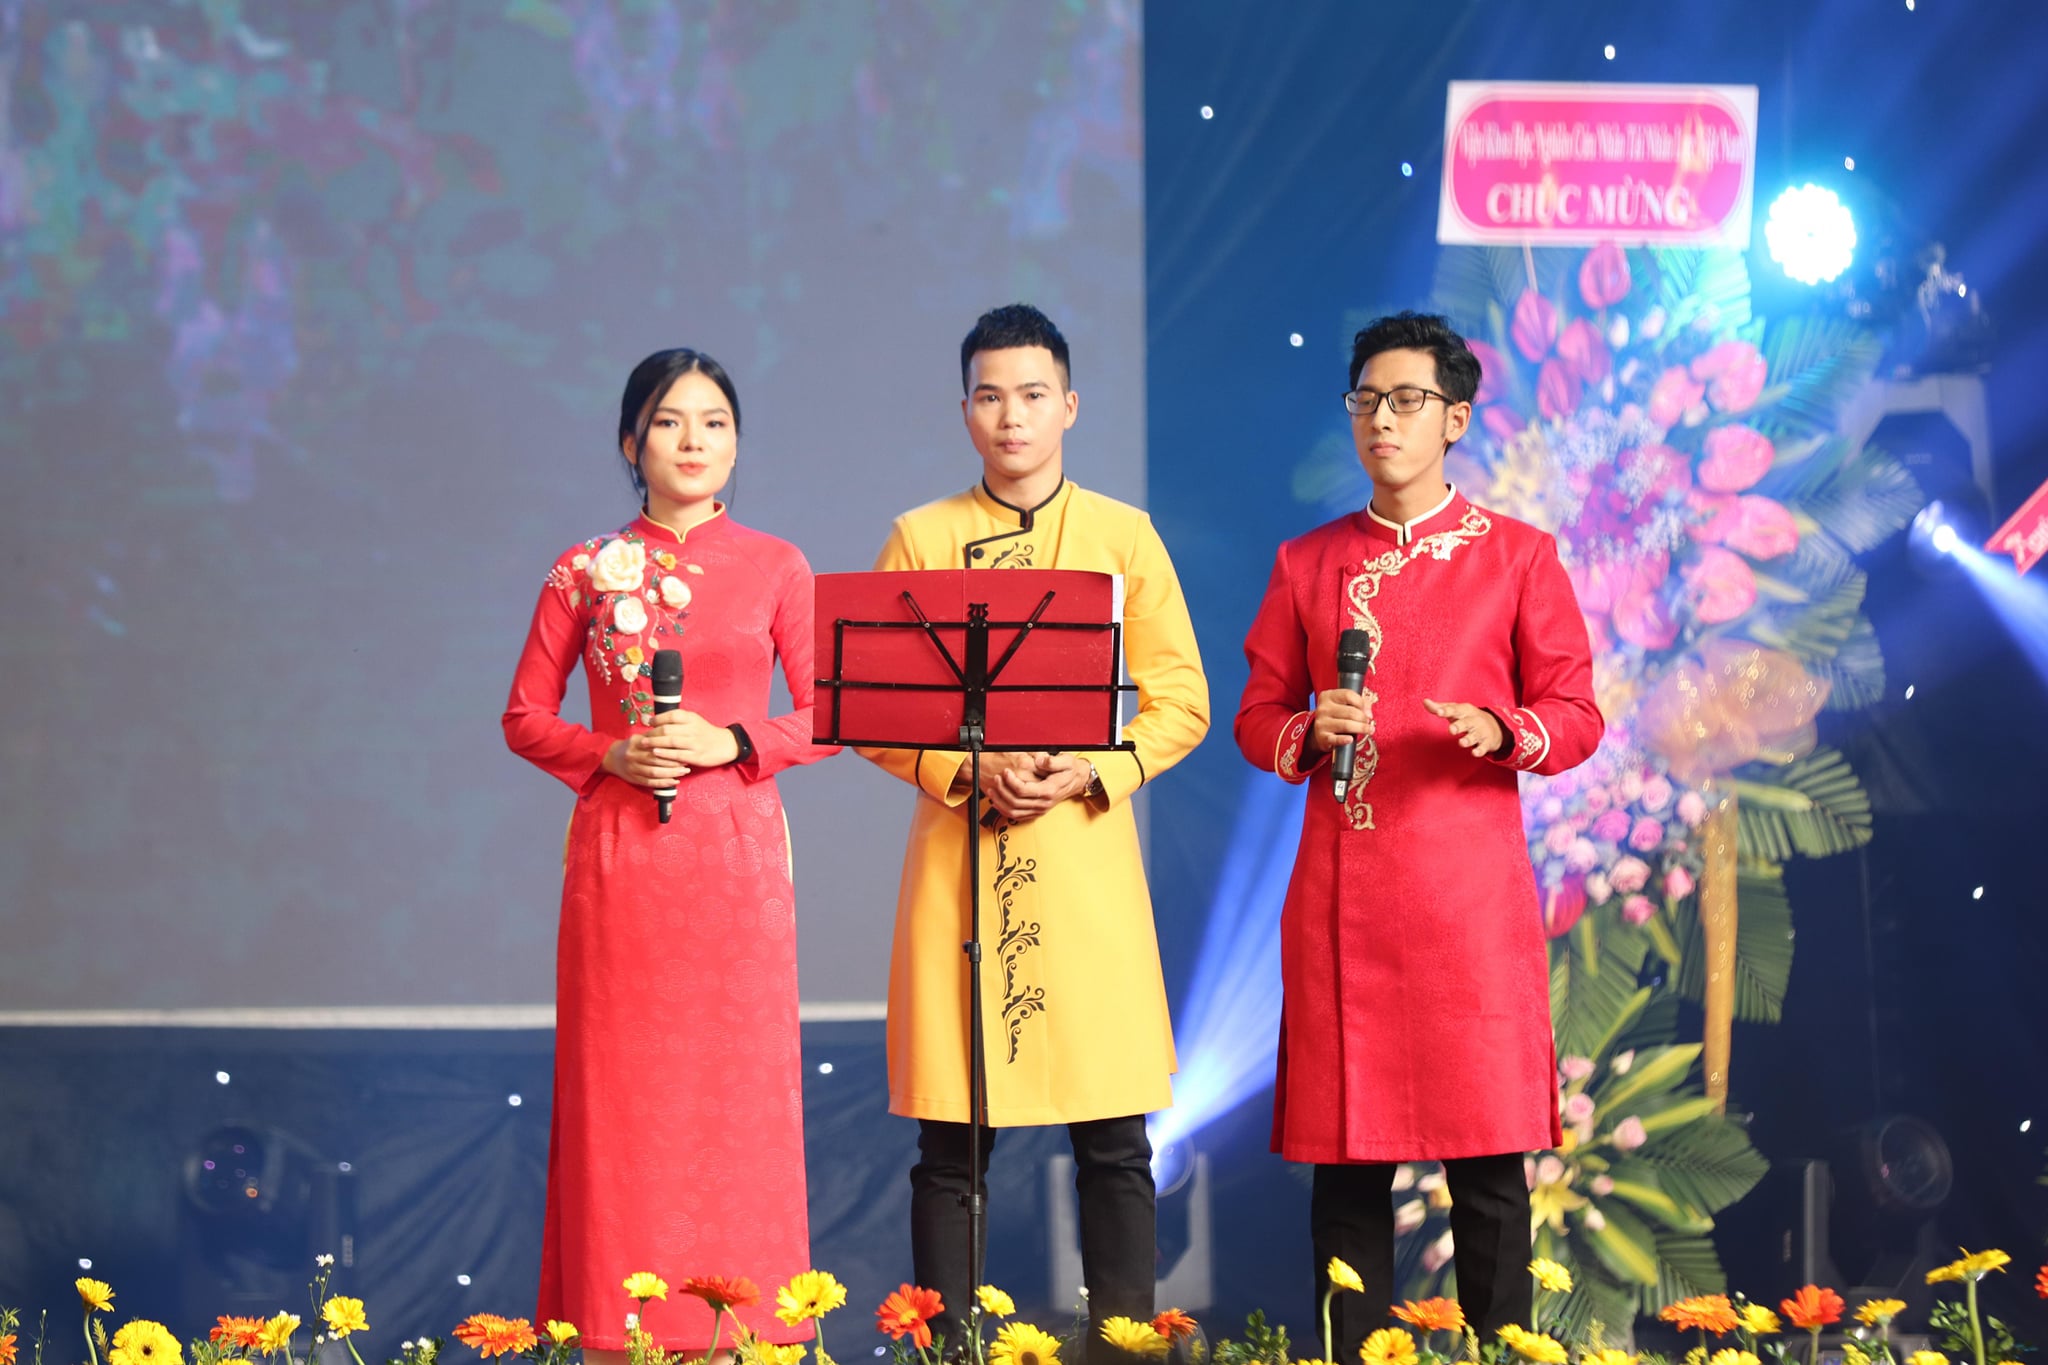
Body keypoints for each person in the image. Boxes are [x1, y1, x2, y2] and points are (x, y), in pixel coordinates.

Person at [1232, 313, 1604, 1350]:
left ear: (1456, 418)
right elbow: (1256, 717)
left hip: (1467, 905)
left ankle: (1502, 1350)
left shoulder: (1518, 557)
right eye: (1365, 401)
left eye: (1405, 401)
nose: (1381, 421)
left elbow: (1576, 713)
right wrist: (1308, 728)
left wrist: (1504, 729)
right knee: (1348, 1174)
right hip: (1342, 906)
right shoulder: (1306, 562)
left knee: (1488, 1167)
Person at [858, 304, 1209, 1360]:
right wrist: (966, 769)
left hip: (1083, 859)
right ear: (964, 410)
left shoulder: (1123, 535)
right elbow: (872, 710)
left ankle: (1124, 1348)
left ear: (1069, 406)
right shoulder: (920, 537)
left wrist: (1093, 768)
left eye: (1031, 394)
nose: (1010, 416)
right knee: (950, 1147)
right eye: (988, 395)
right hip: (960, 864)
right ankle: (949, 1351)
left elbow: (1182, 700)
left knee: (1114, 1141)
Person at [502, 349, 836, 1360]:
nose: (694, 440)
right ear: (629, 442)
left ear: (736, 445)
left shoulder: (778, 565)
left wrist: (732, 740)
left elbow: (831, 713)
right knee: (623, 1102)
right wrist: (611, 751)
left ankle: (746, 1332)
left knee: (739, 1099)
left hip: (736, 858)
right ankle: (621, 1334)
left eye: (714, 422)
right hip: (622, 859)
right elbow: (524, 716)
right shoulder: (583, 569)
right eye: (669, 421)